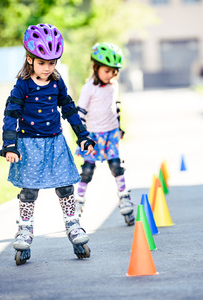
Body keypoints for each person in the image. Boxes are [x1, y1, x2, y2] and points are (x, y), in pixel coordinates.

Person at [0, 24, 96, 265]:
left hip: (55, 143)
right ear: (30, 59)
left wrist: (82, 135)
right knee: (29, 191)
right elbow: (11, 114)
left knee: (65, 187)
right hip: (29, 146)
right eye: (42, 63)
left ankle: (73, 226)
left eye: (52, 63)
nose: (48, 68)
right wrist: (10, 145)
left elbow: (69, 109)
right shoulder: (23, 85)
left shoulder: (56, 82)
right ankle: (24, 230)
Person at [75, 42, 135, 226]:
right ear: (96, 67)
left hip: (110, 134)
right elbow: (80, 113)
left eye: (114, 72)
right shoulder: (88, 88)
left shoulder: (113, 86)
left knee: (116, 166)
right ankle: (77, 203)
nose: (111, 75)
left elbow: (115, 107)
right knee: (87, 171)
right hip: (93, 136)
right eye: (107, 71)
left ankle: (124, 198)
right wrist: (82, 137)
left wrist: (119, 127)